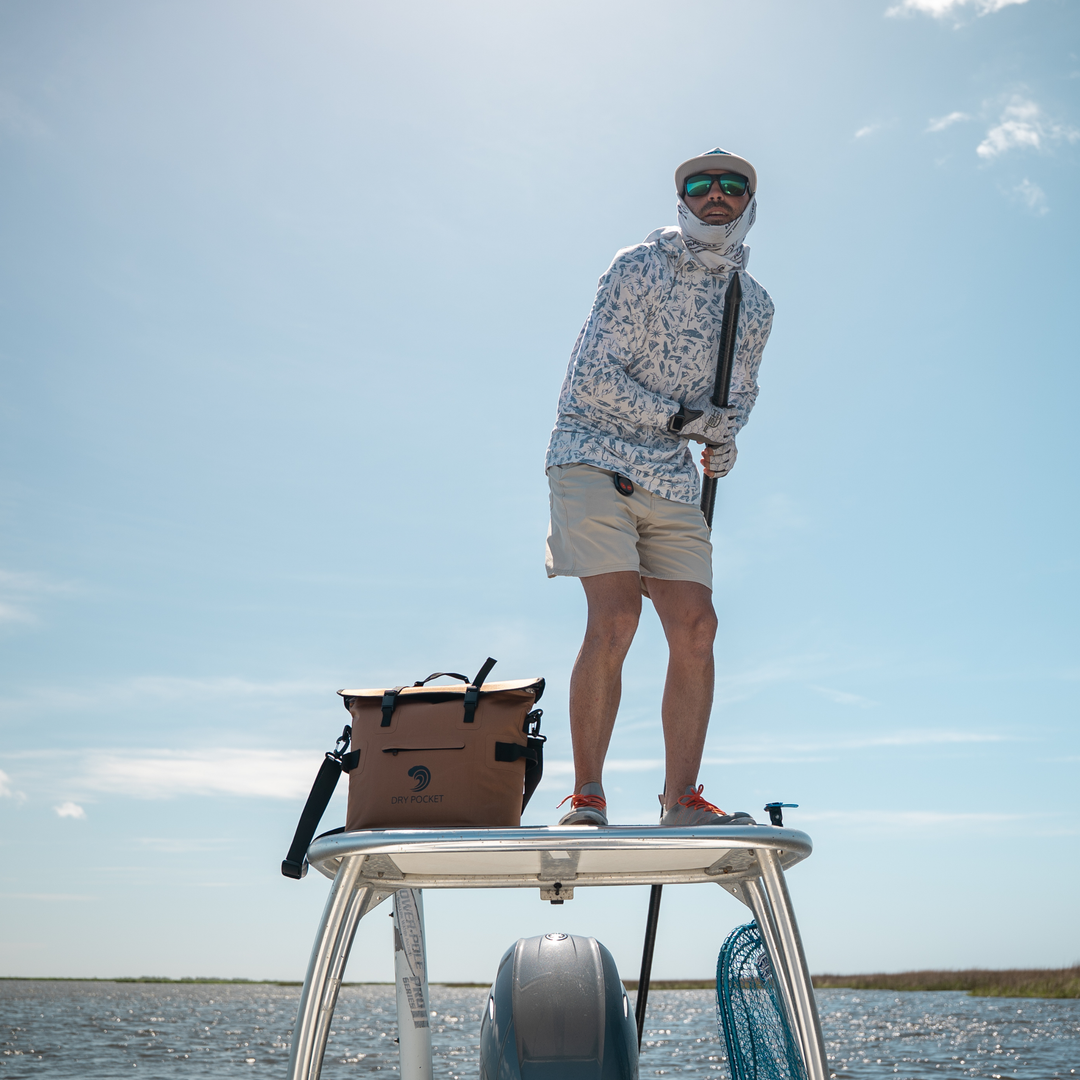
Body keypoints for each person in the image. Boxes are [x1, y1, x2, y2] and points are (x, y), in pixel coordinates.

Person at [544, 148, 774, 827]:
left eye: (731, 186)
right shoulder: (636, 266)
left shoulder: (752, 305)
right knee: (615, 615)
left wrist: (723, 436)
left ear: (748, 204)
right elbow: (589, 380)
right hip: (591, 450)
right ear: (681, 198)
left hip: (670, 474)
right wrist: (683, 419)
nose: (715, 195)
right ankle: (587, 797)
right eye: (700, 184)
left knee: (697, 626)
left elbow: (735, 399)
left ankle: (681, 801)